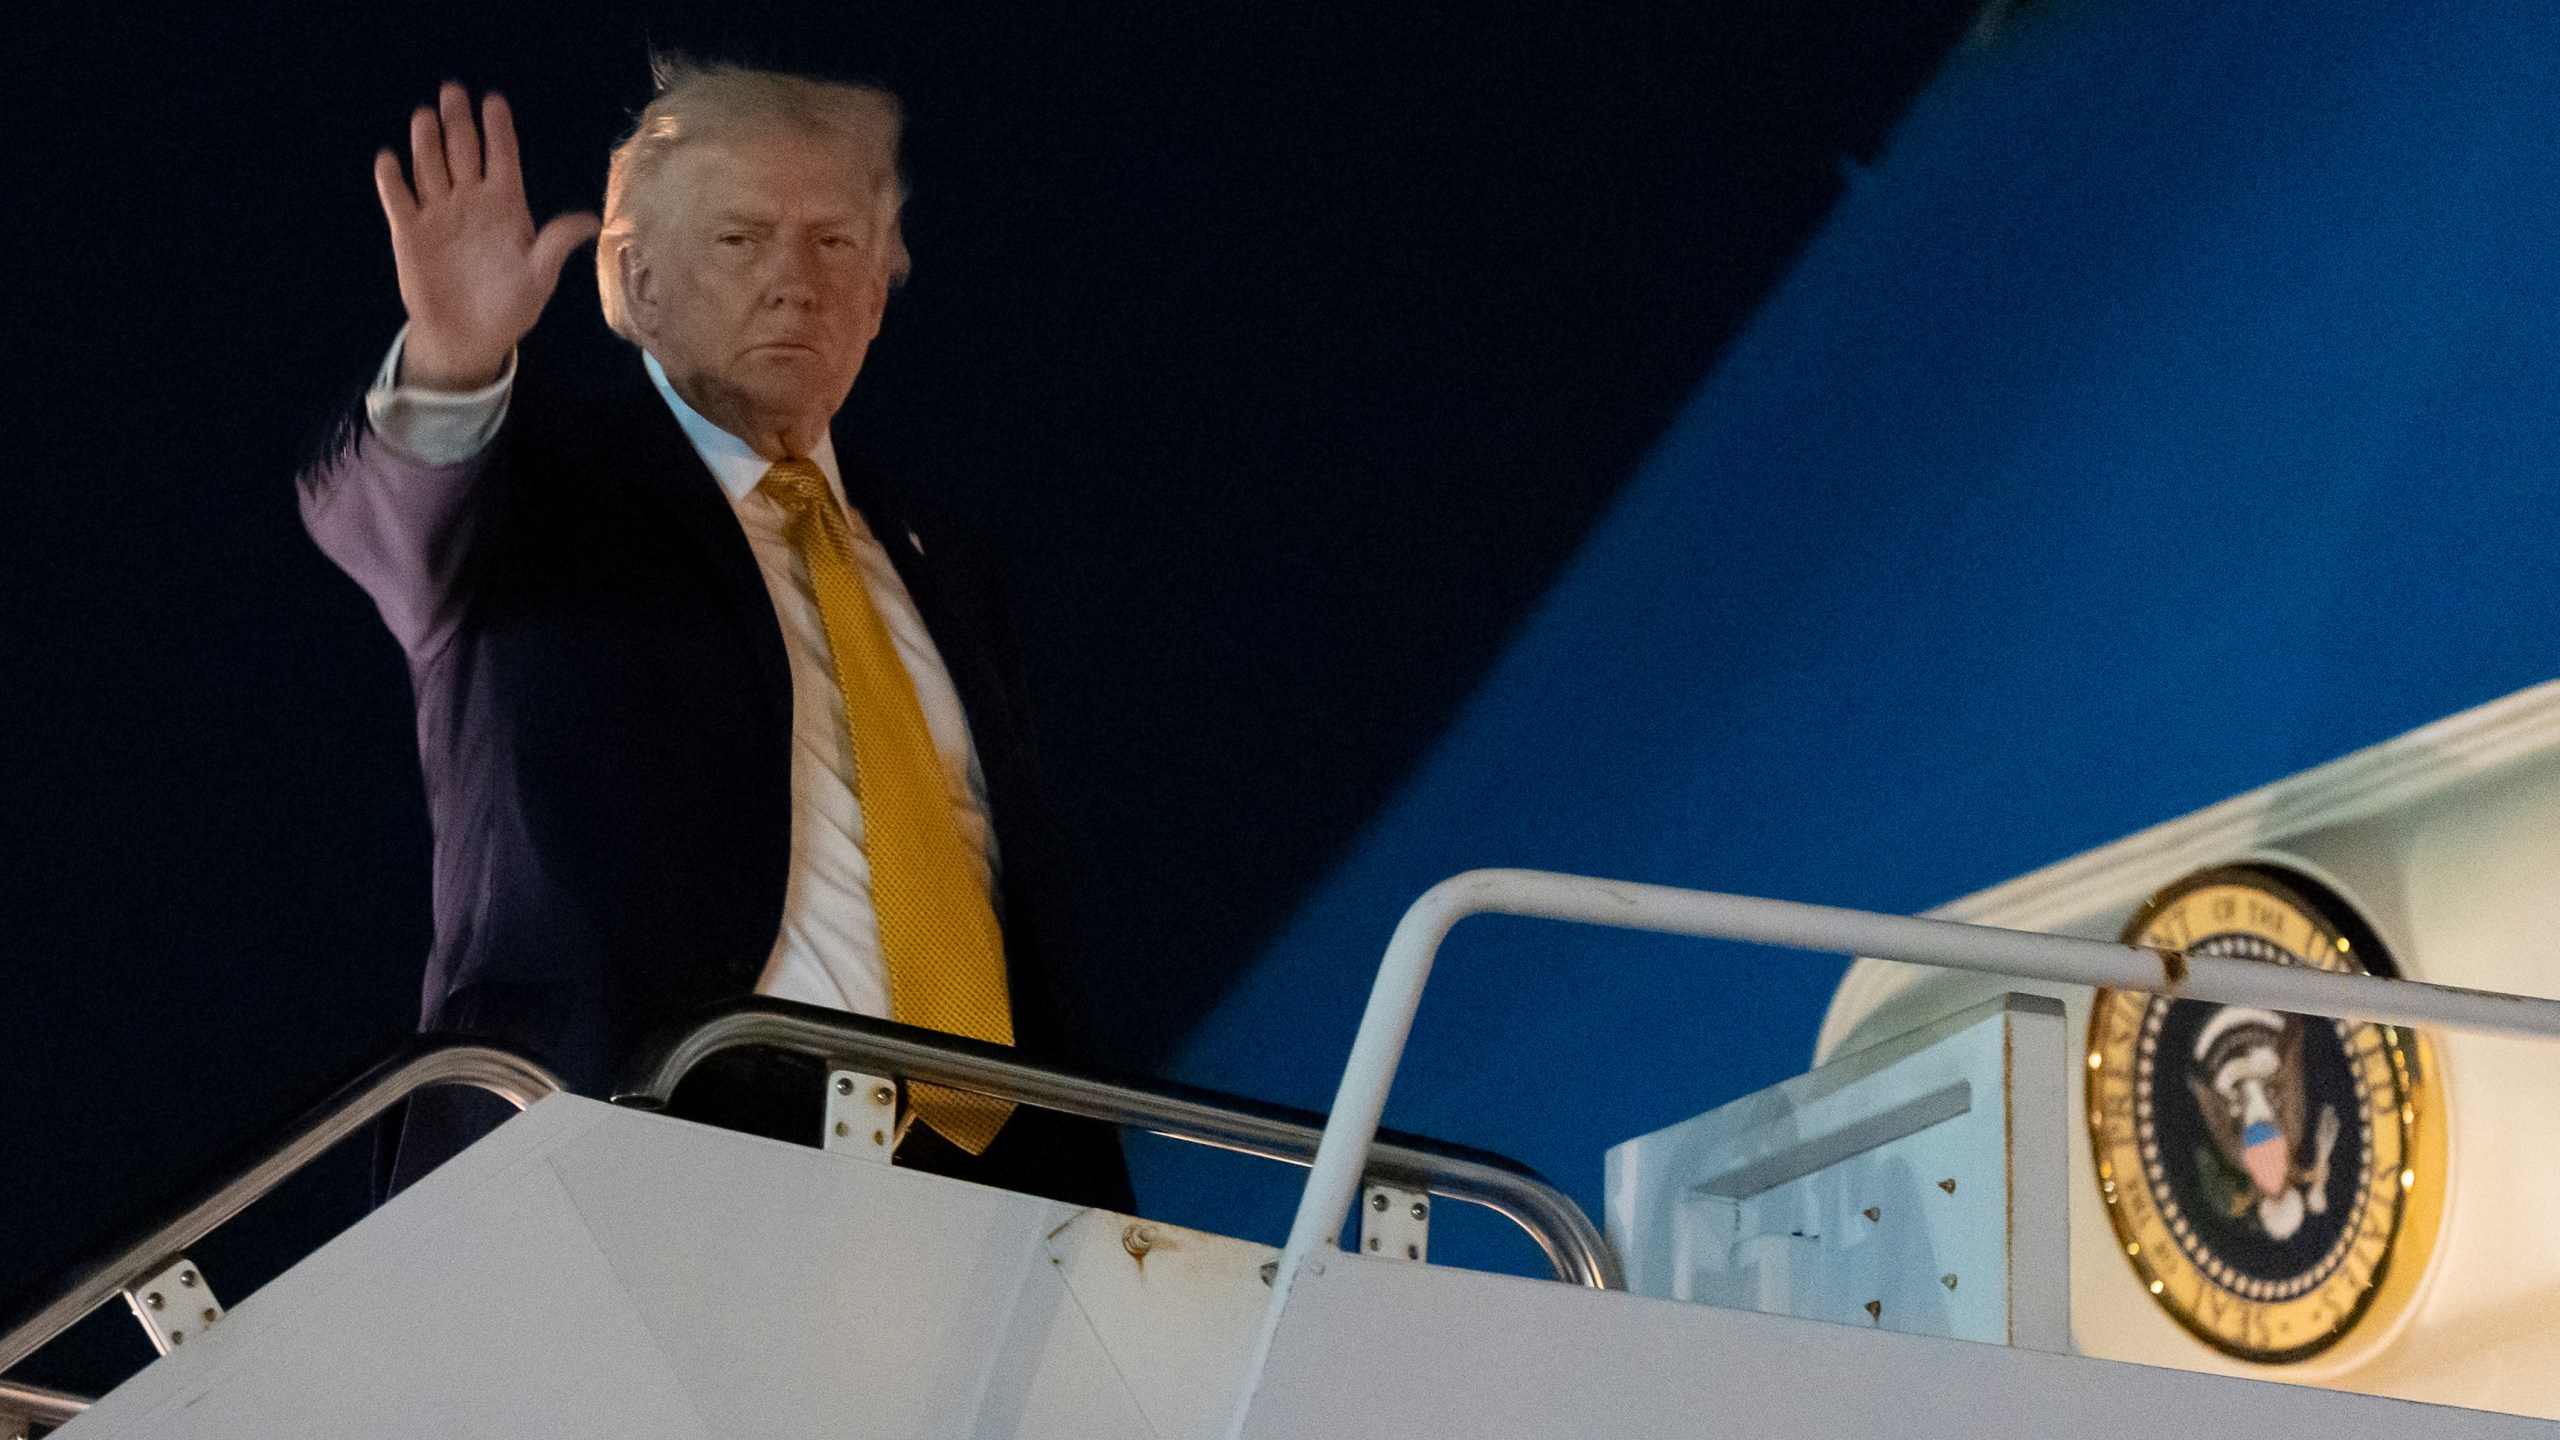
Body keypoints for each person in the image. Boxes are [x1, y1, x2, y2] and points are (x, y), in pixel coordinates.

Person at [301, 61, 1131, 1210]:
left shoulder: (942, 558)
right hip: (633, 1155)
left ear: (880, 299)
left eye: (835, 244)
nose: (794, 281)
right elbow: (396, 510)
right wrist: (452, 364)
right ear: (635, 282)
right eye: (742, 240)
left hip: (972, 1194)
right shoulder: (539, 504)